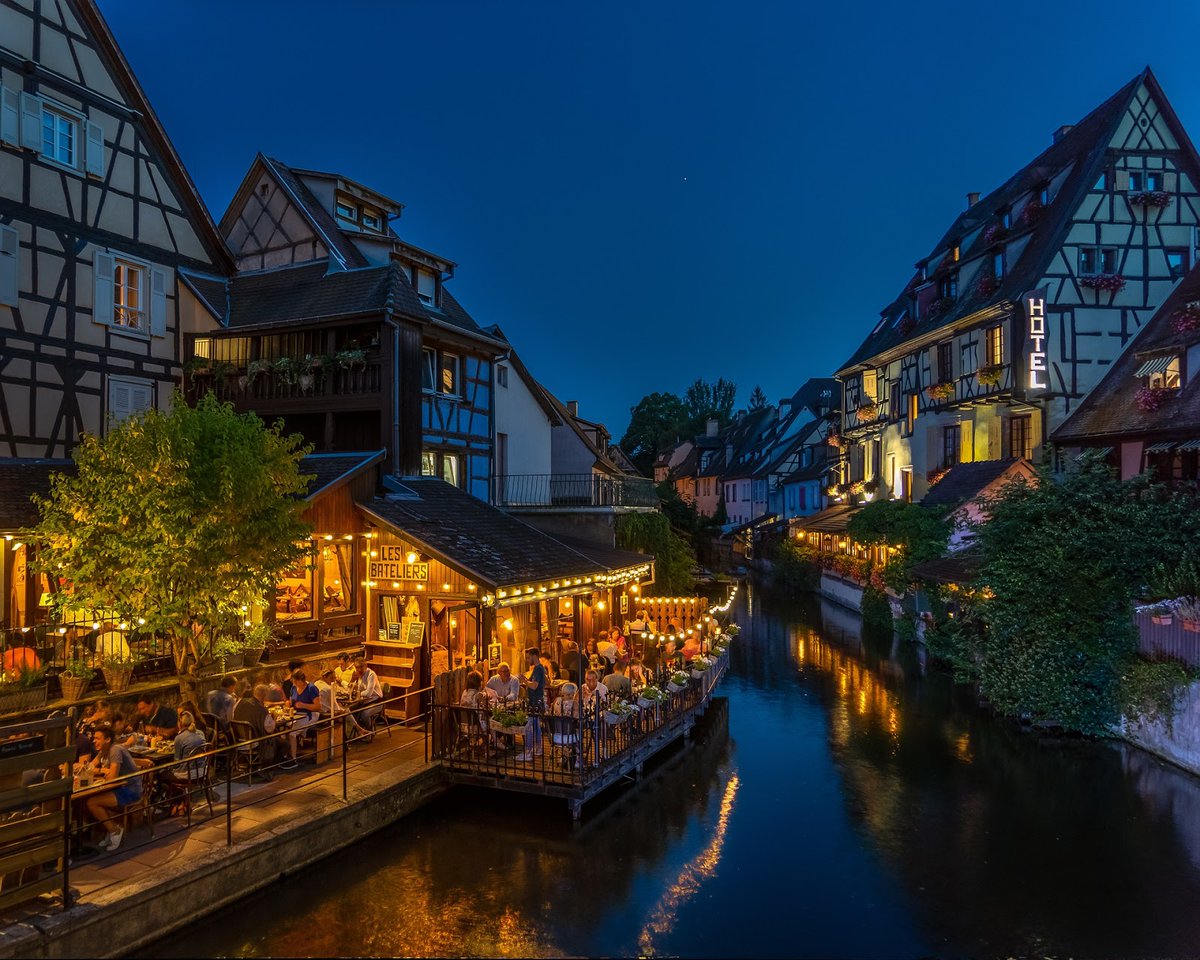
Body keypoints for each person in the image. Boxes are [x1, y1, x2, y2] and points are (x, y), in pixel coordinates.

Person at [84, 725, 141, 851]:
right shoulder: (102, 752)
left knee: (92, 803)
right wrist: (100, 770)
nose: (94, 741)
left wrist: (101, 771)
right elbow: (89, 768)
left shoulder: (115, 750)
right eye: (94, 738)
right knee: (86, 801)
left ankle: (114, 830)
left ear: (107, 740)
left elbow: (112, 778)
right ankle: (109, 829)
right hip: (117, 788)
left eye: (98, 738)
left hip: (130, 790)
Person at [232, 683, 280, 768]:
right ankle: (269, 768)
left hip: (237, 739)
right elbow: (270, 729)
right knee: (283, 743)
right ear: (264, 696)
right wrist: (274, 718)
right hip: (255, 741)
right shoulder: (261, 710)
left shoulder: (240, 703)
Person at [282, 670, 321, 769]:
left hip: (308, 715)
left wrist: (304, 705)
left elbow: (318, 707)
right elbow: (291, 701)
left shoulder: (311, 688)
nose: (293, 684)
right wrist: (288, 704)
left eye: (295, 681)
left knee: (292, 733)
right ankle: (284, 755)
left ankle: (293, 759)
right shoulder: (294, 688)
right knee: (282, 731)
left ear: (300, 680)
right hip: (296, 714)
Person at [518, 647, 545, 760]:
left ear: (534, 656)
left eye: (528, 657)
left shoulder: (538, 669)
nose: (527, 660)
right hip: (536, 701)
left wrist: (523, 680)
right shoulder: (538, 668)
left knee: (529, 727)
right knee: (536, 726)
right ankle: (538, 748)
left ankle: (528, 752)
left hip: (534, 702)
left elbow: (534, 685)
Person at [351, 657, 383, 731]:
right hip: (364, 702)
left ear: (366, 665)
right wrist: (353, 680)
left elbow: (368, 693)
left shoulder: (371, 675)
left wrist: (358, 693)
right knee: (349, 712)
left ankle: (369, 731)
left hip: (376, 702)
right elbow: (353, 689)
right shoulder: (357, 675)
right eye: (357, 667)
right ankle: (358, 732)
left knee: (364, 714)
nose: (359, 670)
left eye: (361, 667)